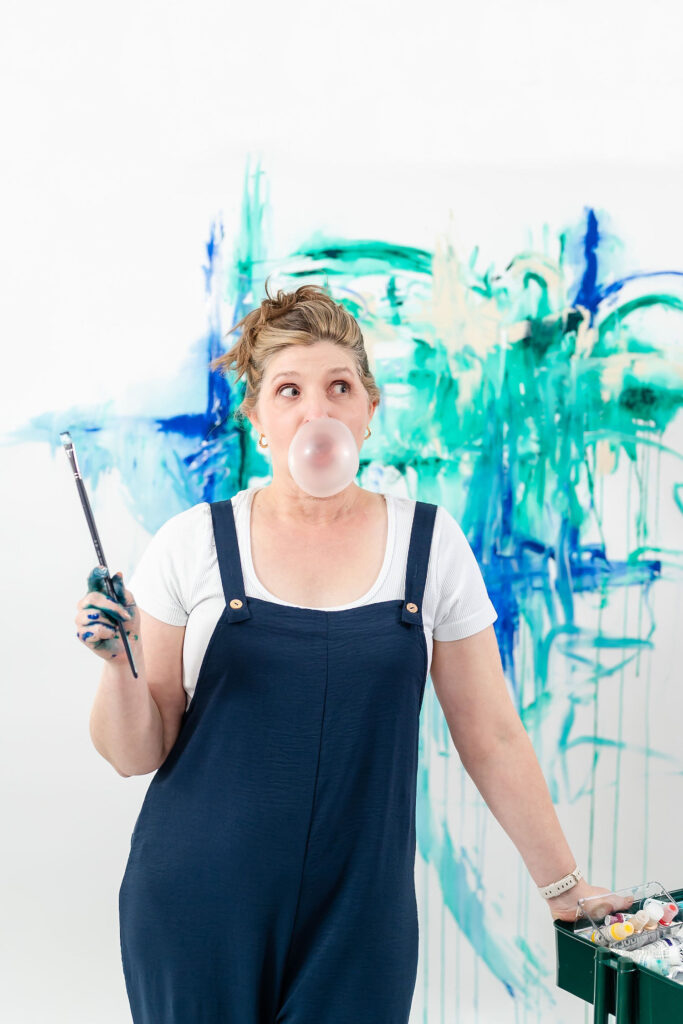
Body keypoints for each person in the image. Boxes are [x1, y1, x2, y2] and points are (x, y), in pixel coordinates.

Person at [76, 283, 610, 1023]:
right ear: (258, 420)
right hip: (196, 905)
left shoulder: (430, 546)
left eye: (339, 387)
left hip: (361, 920)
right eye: (288, 391)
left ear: (368, 408)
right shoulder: (192, 543)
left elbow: (490, 737)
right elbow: (134, 753)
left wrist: (565, 890)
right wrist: (119, 664)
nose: (316, 412)